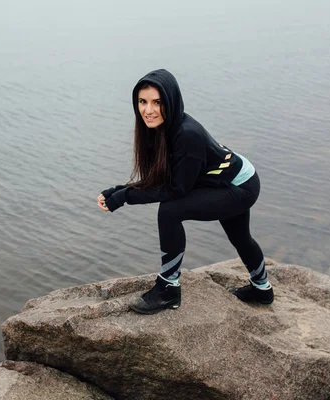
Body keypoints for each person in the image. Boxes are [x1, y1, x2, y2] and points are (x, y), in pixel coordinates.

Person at [97, 69, 273, 315]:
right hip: (231, 178)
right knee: (240, 237)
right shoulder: (162, 128)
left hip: (239, 186)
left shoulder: (186, 134)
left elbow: (175, 190)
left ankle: (168, 288)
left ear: (171, 100)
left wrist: (126, 197)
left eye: (157, 102)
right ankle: (262, 289)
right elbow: (163, 177)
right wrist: (119, 190)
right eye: (142, 102)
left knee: (170, 211)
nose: (148, 110)